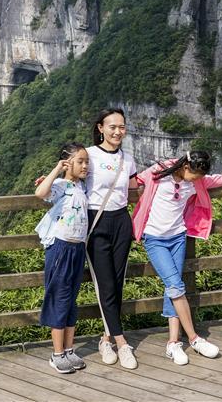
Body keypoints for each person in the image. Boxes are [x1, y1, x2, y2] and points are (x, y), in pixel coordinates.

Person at [132, 150, 222, 365]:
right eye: (196, 175)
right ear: (185, 167)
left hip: (178, 237)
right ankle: (194, 338)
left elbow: (216, 180)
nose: (198, 180)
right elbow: (134, 182)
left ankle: (173, 343)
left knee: (173, 287)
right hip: (154, 238)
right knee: (175, 286)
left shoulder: (197, 180)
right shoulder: (158, 173)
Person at [84, 108, 140, 369]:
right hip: (97, 221)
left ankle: (105, 339)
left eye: (122, 127)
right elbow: (72, 178)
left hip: (121, 221)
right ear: (100, 128)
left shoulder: (128, 159)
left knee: (118, 282)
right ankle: (121, 342)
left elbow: (133, 191)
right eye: (112, 126)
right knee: (104, 284)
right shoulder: (90, 155)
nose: (118, 131)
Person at [34, 143, 90, 374]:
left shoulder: (83, 186)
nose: (85, 165)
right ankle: (57, 353)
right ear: (68, 163)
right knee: (59, 297)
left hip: (78, 248)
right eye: (80, 161)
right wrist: (57, 169)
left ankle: (69, 349)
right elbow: (41, 193)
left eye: (87, 161)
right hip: (60, 247)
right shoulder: (61, 184)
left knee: (71, 299)